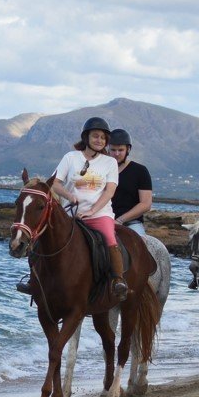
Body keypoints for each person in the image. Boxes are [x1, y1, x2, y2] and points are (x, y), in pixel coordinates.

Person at [52, 117, 127, 301]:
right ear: (86, 137)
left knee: (109, 238)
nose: (99, 140)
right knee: (45, 237)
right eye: (95, 136)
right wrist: (70, 196)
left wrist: (93, 211)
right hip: (70, 214)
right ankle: (34, 280)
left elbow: (110, 191)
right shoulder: (70, 157)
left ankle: (118, 280)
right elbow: (55, 183)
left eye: (103, 138)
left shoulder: (109, 163)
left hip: (99, 214)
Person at [108, 128, 153, 236]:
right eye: (113, 150)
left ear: (128, 149)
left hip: (131, 223)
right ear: (108, 149)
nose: (117, 153)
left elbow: (146, 204)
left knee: (140, 246)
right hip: (103, 219)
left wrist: (120, 220)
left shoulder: (140, 171)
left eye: (121, 150)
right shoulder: (101, 170)